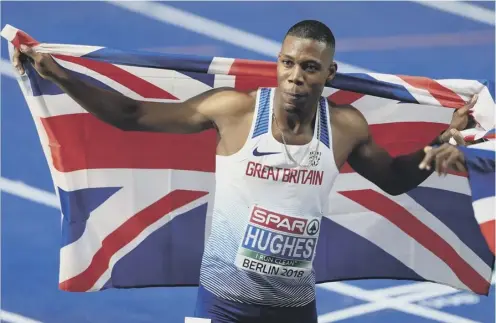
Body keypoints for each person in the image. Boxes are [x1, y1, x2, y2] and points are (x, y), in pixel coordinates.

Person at [13, 20, 476, 323]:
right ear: (278, 64)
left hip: (294, 307)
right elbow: (132, 115)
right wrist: (61, 76)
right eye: (288, 63)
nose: (296, 76)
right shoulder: (235, 111)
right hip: (223, 303)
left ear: (329, 74)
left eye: (310, 68)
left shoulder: (347, 127)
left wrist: (445, 139)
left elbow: (394, 179)